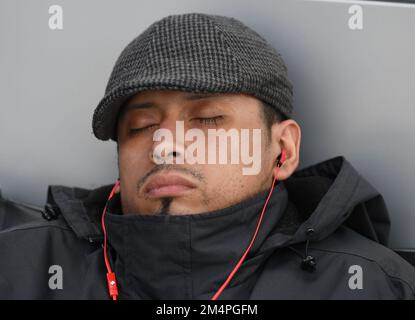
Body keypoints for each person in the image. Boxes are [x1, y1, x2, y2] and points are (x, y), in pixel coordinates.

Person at [1, 12, 414, 300]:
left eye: (207, 119)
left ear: (282, 150)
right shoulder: (21, 270)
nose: (166, 145)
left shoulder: (374, 286)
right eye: (141, 126)